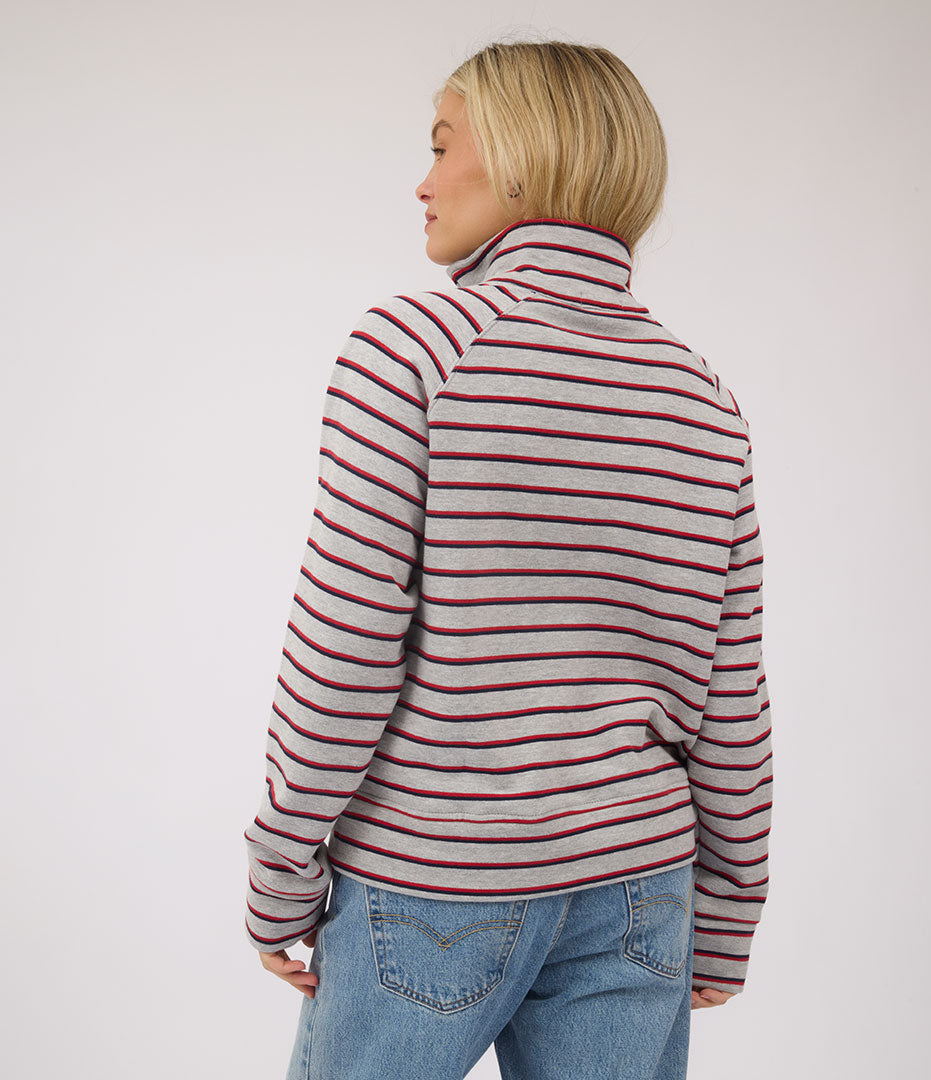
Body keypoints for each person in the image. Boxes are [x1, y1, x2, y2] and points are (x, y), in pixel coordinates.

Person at [242, 38, 773, 1080]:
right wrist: (727, 912)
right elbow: (731, 697)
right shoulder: (703, 399)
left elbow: (343, 651)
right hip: (641, 891)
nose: (423, 182)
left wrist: (279, 870)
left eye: (443, 146)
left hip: (433, 879)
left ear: (524, 158)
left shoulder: (417, 351)